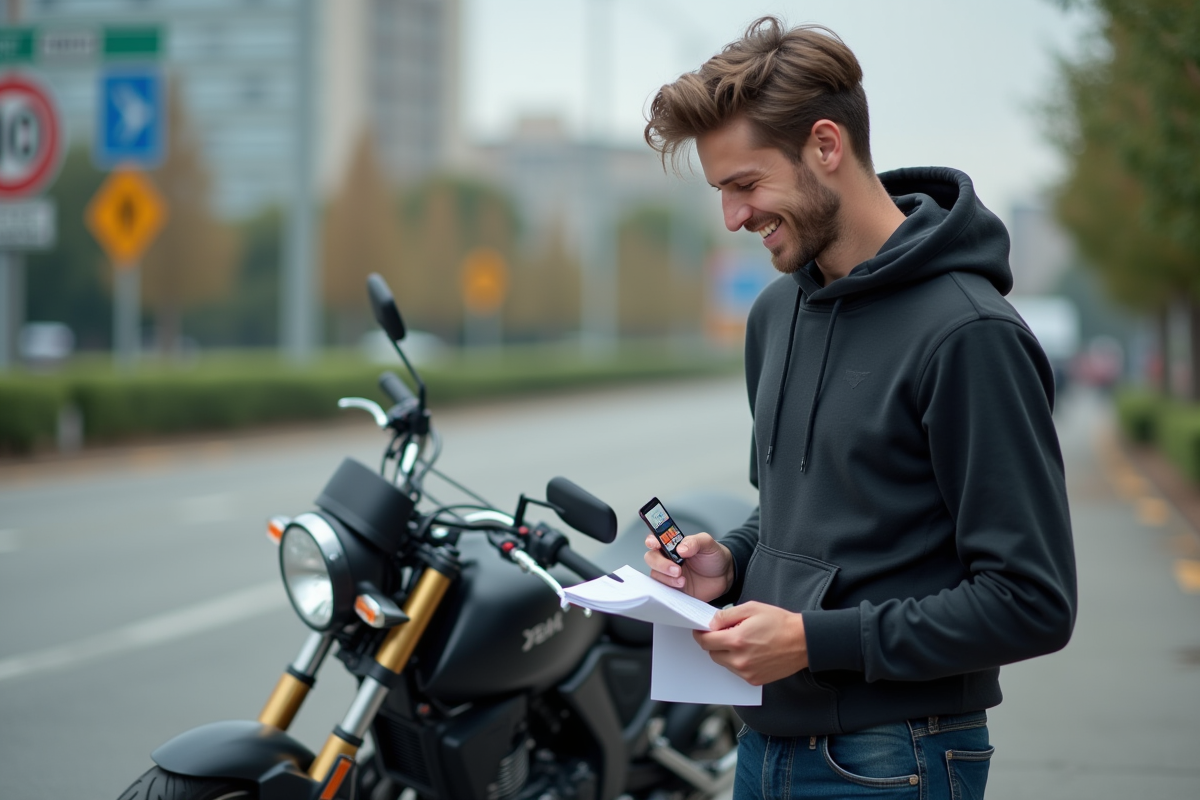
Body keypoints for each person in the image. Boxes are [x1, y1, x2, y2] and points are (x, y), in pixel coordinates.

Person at [641, 17, 1076, 800]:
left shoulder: (969, 335)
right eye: (722, 193)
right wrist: (731, 562)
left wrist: (812, 640)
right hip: (762, 749)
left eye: (746, 185)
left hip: (896, 758)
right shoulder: (776, 316)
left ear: (826, 147)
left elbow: (1032, 601)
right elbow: (794, 513)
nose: (733, 218)